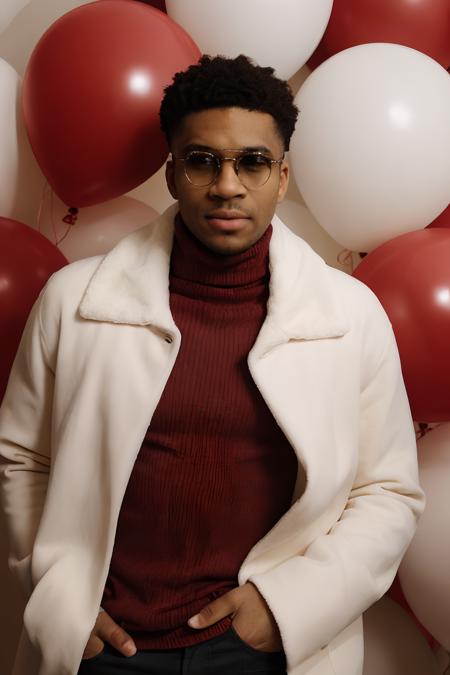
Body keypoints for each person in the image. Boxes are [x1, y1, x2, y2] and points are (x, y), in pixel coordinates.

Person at [0, 54, 424, 675]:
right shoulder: (74, 302)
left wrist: (283, 610)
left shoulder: (350, 314)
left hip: (268, 645)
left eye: (252, 162)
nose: (228, 185)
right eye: (204, 161)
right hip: (102, 646)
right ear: (172, 174)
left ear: (282, 177)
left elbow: (385, 490)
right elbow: (21, 460)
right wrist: (62, 598)